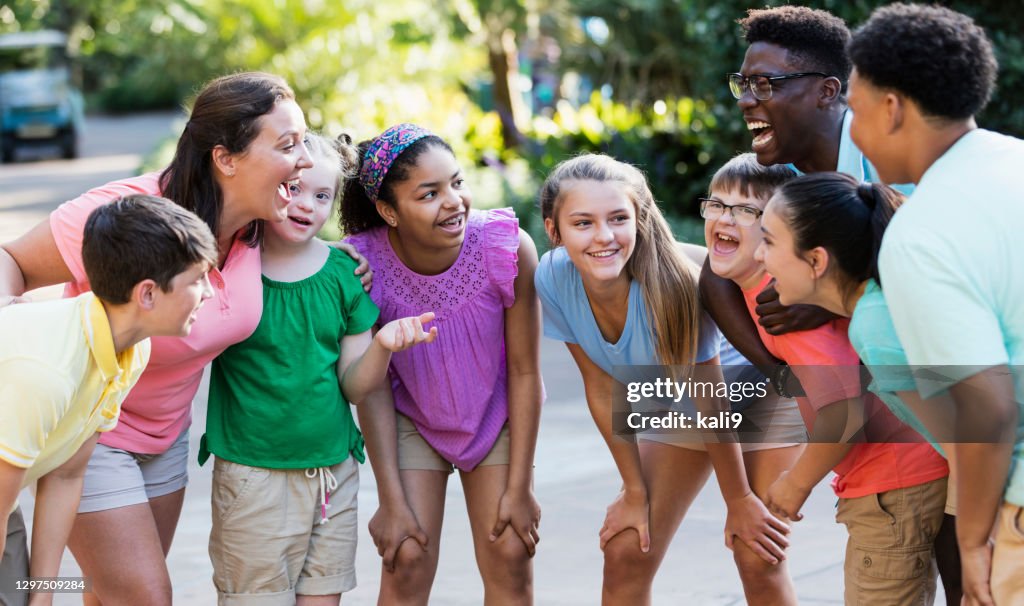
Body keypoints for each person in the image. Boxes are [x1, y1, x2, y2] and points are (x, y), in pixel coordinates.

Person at [0, 72, 365, 605]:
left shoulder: (263, 223)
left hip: (165, 436)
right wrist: (19, 348)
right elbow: (10, 259)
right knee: (146, 596)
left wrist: (340, 258)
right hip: (91, 428)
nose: (305, 159)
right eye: (287, 146)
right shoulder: (135, 221)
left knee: (108, 594)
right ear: (227, 159)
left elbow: (311, 254)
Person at [536, 153, 804, 605]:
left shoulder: (677, 284)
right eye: (583, 223)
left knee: (756, 551)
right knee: (626, 548)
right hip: (684, 394)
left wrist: (738, 501)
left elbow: (711, 399)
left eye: (618, 218)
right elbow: (601, 387)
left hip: (759, 383)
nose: (603, 236)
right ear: (553, 230)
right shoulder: (554, 278)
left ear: (639, 220)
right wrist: (633, 490)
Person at [200, 133, 436, 605]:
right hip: (253, 476)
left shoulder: (343, 275)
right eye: (293, 188)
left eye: (322, 195)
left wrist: (383, 347)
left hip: (332, 476)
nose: (306, 204)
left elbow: (354, 386)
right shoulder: (228, 263)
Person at [708, 158, 949, 605]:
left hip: (891, 485)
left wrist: (793, 485)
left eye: (748, 213)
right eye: (716, 204)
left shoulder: (794, 313)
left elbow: (844, 415)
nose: (725, 218)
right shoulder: (782, 289)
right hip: (894, 479)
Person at [847, 5, 1024, 605]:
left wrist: (973, 541)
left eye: (854, 107)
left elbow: (987, 404)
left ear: (891, 108)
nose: (852, 131)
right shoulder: (1015, 161)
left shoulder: (920, 233)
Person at [342, 123, 543, 605]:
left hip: (494, 416)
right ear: (389, 211)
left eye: (456, 182)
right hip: (410, 418)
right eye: (429, 193)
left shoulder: (506, 247)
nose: (453, 201)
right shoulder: (361, 265)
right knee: (405, 554)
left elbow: (525, 372)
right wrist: (390, 501)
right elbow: (369, 390)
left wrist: (520, 487)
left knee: (511, 551)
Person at [0, 195, 217, 606]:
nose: (207, 293)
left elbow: (65, 476)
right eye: (197, 279)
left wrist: (42, 595)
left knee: (22, 592)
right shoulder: (46, 373)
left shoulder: (131, 350)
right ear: (148, 294)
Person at [701, 6, 900, 390]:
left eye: (763, 83)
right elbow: (716, 273)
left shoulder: (892, 163)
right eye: (742, 84)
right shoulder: (777, 177)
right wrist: (777, 375)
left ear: (826, 91)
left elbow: (925, 280)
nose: (744, 100)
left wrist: (828, 298)